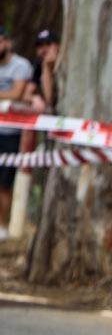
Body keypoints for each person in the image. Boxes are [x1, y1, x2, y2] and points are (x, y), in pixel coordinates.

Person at [0, 26, 32, 239]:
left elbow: (19, 93)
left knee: (4, 183)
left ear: (7, 42)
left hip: (11, 133)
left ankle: (3, 227)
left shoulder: (21, 65)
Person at [27, 29, 58, 113]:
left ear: (58, 46)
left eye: (48, 44)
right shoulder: (39, 65)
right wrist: (33, 98)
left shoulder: (66, 64)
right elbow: (48, 100)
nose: (43, 49)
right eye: (40, 46)